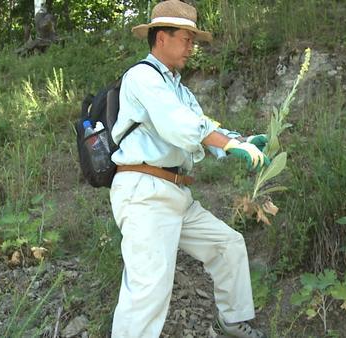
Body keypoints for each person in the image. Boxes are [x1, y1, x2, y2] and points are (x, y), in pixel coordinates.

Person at [108, 1, 269, 337]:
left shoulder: (177, 87)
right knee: (148, 291)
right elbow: (179, 125)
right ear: (161, 38)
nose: (192, 47)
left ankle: (233, 320)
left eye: (194, 40)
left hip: (176, 194)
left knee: (227, 245)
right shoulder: (141, 77)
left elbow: (202, 126)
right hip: (146, 193)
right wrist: (228, 144)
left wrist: (241, 140)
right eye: (186, 38)